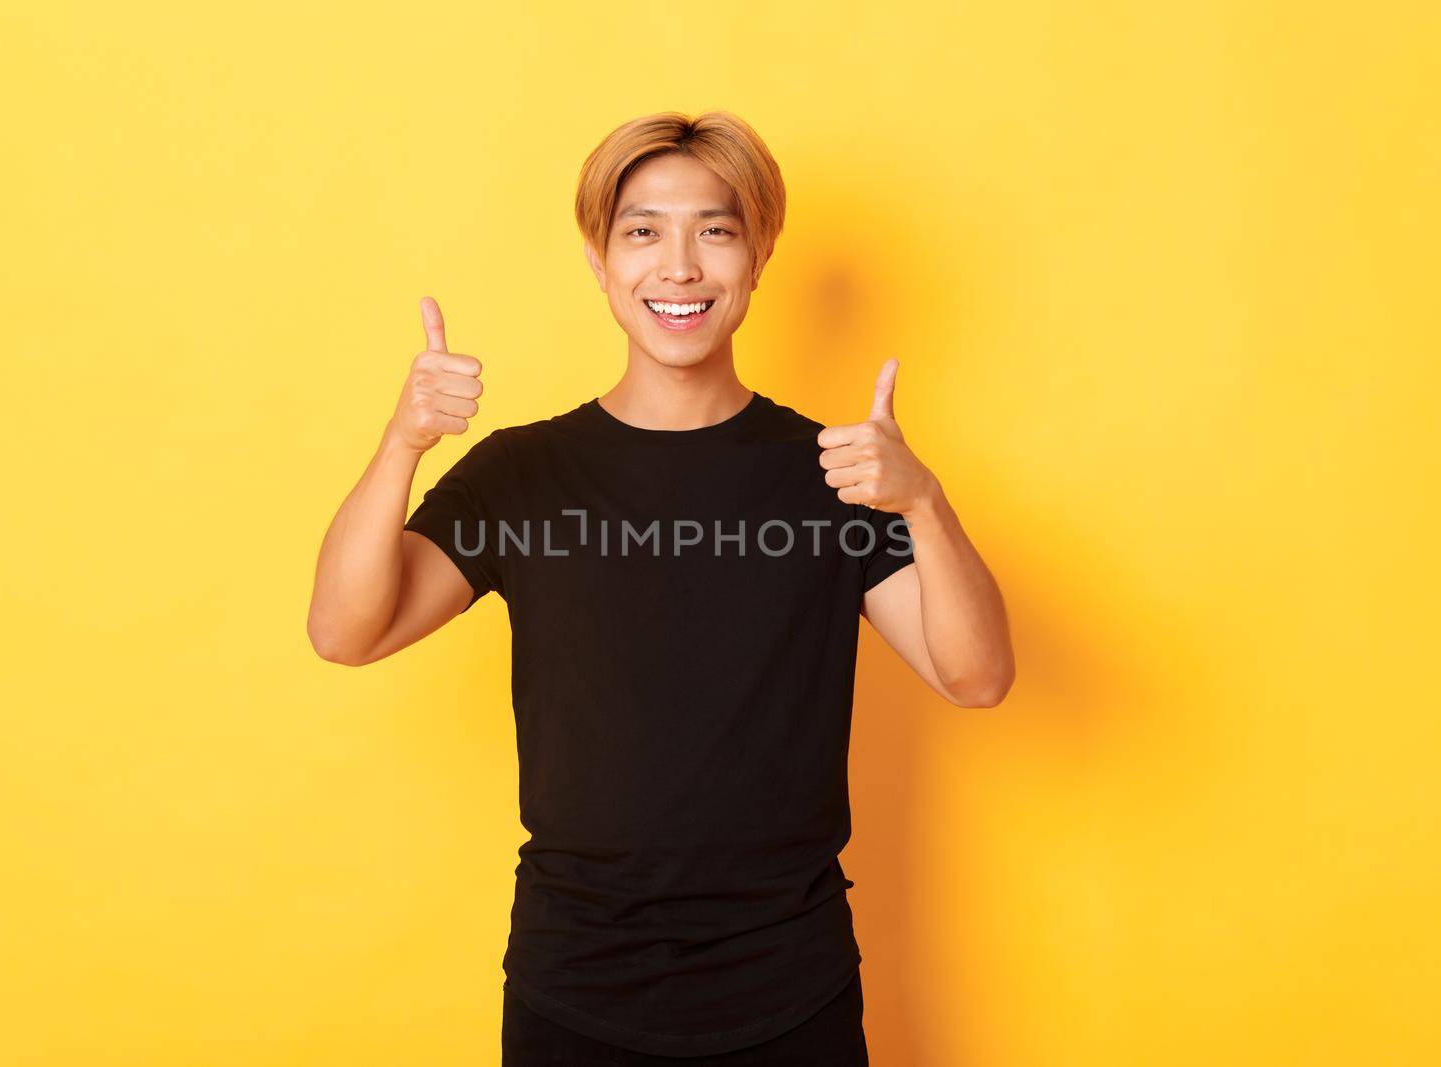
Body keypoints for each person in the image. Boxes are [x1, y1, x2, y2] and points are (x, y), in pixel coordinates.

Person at [307, 110, 1015, 1063]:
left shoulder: (835, 471)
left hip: (790, 981)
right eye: (642, 231)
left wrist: (922, 499)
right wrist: (403, 444)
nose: (679, 266)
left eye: (714, 231)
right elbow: (347, 630)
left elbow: (976, 676)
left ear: (758, 257)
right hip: (575, 983)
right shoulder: (524, 473)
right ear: (600, 262)